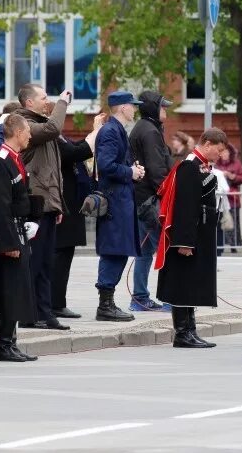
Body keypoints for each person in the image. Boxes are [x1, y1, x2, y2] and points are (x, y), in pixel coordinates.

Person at [155, 128, 228, 348]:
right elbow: (185, 207)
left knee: (191, 283)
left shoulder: (201, 166)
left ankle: (190, 330)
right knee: (183, 284)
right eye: (219, 149)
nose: (220, 154)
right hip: (187, 238)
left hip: (198, 235)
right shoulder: (189, 167)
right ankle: (182, 333)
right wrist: (184, 241)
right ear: (207, 144)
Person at [16, 84, 71, 331]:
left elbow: (53, 171)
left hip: (48, 205)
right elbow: (53, 129)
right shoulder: (25, 123)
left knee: (46, 262)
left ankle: (45, 313)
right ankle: (29, 314)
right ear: (29, 103)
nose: (47, 101)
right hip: (35, 205)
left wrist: (58, 205)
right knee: (35, 262)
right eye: (43, 97)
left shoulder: (41, 122)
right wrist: (63, 103)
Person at [94, 91, 145, 322]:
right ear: (122, 107)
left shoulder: (116, 130)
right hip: (114, 202)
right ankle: (105, 305)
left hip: (121, 199)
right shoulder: (110, 131)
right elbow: (105, 165)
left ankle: (108, 302)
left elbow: (115, 162)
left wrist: (133, 170)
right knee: (113, 251)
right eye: (132, 106)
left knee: (119, 250)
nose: (134, 109)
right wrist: (130, 172)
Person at [0, 114, 41, 361]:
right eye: (28, 131)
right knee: (9, 291)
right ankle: (2, 344)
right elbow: (0, 206)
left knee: (18, 289)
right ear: (18, 132)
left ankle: (8, 341)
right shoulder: (1, 160)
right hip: (9, 235)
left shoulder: (14, 158)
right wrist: (8, 243)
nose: (30, 135)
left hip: (19, 229)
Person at [52, 112, 106, 319]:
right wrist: (96, 131)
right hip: (63, 204)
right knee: (59, 256)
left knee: (65, 255)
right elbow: (76, 153)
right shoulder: (50, 136)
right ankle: (53, 303)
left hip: (71, 204)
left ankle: (58, 301)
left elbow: (75, 148)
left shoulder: (58, 135)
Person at [129, 90, 174, 312]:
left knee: (145, 252)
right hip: (152, 201)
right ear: (153, 108)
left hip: (142, 199)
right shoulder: (150, 132)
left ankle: (139, 297)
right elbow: (157, 170)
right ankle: (170, 299)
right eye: (162, 106)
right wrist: (170, 192)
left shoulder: (146, 128)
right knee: (167, 250)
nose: (166, 110)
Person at [215, 143, 242, 253]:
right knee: (220, 221)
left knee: (234, 221)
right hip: (220, 197)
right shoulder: (216, 164)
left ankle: (234, 244)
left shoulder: (236, 163)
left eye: (226, 151)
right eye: (222, 152)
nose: (224, 154)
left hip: (233, 197)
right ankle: (220, 245)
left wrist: (232, 176)